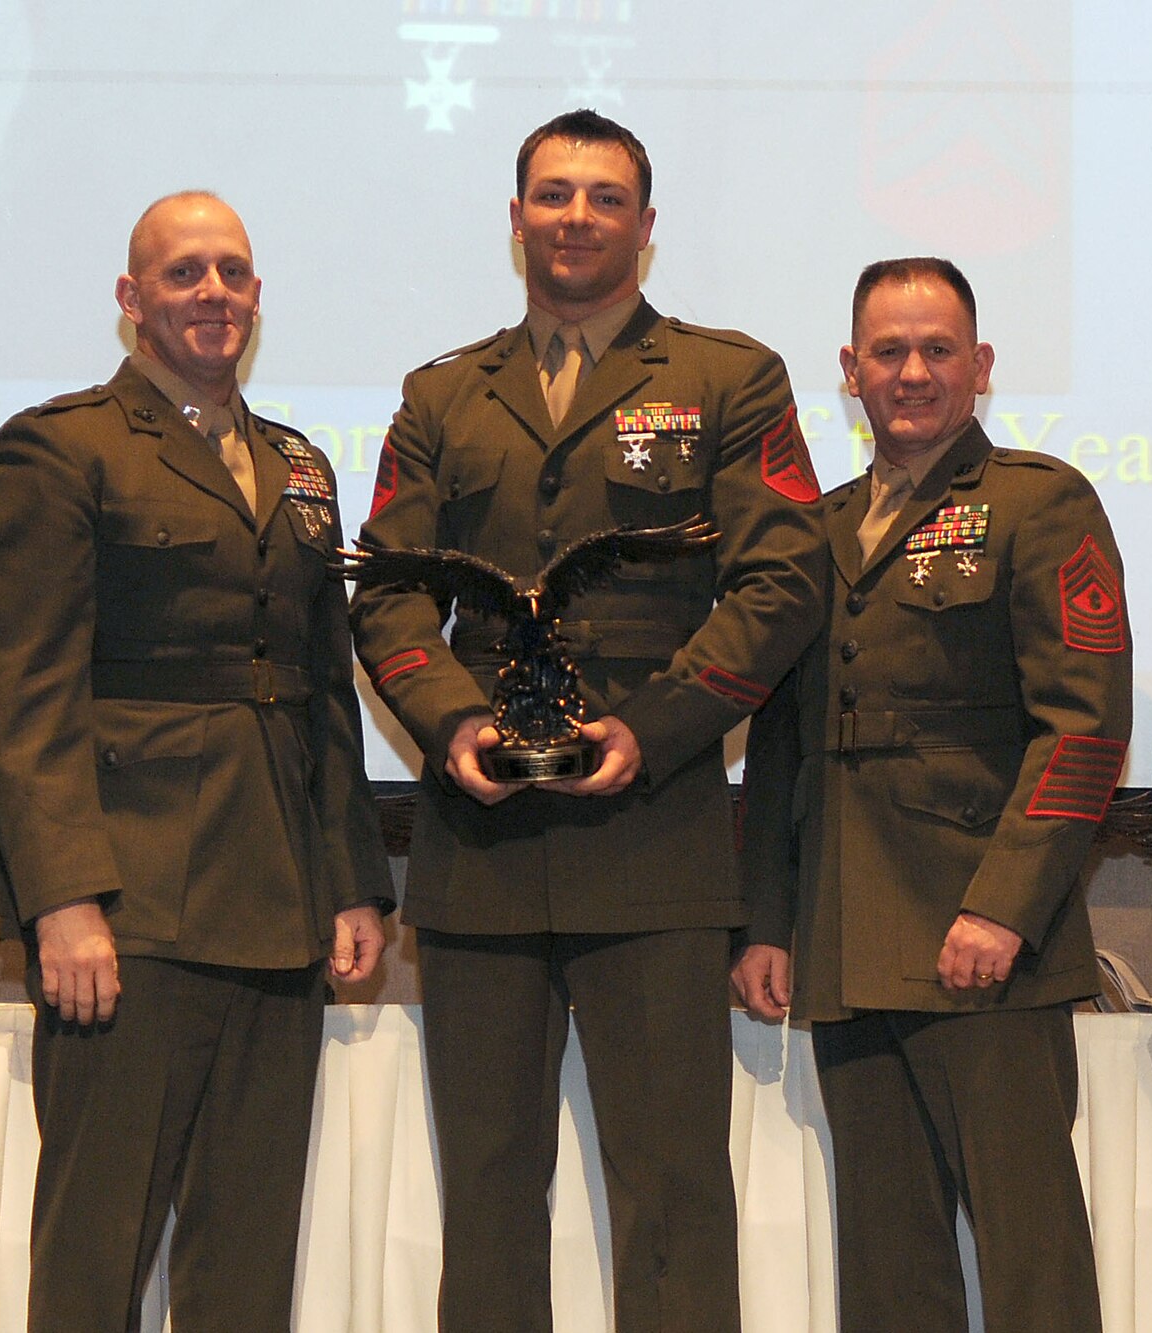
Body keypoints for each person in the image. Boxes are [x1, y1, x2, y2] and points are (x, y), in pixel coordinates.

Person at [350, 108, 826, 1331]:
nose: (575, 218)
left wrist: (654, 729)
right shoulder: (442, 392)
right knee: (488, 1191)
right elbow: (390, 587)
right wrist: (452, 726)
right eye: (552, 196)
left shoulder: (729, 376)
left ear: (645, 228)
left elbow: (780, 582)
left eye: (603, 198)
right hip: (480, 845)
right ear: (514, 220)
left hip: (654, 839)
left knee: (670, 1190)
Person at [0, 190, 393, 1333]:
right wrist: (62, 901)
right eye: (184, 272)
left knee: (245, 1251)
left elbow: (320, 686)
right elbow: (21, 692)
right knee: (98, 1243)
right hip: (130, 903)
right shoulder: (60, 447)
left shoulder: (296, 463)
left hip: (275, 896)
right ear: (130, 298)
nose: (214, 294)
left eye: (233, 273)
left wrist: (349, 879)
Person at [736, 257, 1127, 1332]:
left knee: (1030, 1262)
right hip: (848, 942)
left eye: (936, 349)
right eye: (888, 352)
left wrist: (1003, 905)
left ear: (980, 366)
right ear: (849, 369)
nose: (911, 372)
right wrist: (768, 920)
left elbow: (1083, 727)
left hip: (983, 946)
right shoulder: (810, 532)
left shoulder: (1037, 503)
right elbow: (781, 748)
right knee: (886, 1271)